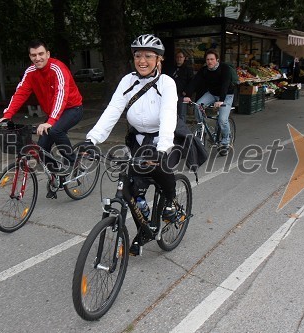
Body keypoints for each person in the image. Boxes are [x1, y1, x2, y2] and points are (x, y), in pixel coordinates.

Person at [84, 34, 180, 255]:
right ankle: (145, 228)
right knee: (132, 188)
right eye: (138, 55)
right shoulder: (127, 81)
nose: (142, 60)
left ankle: (171, 201)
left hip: (160, 140)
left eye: (148, 56)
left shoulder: (167, 83)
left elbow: (168, 116)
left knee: (160, 171)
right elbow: (113, 111)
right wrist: (92, 139)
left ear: (159, 60)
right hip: (137, 140)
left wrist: (163, 148)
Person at [0, 39, 84, 174]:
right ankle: (57, 175)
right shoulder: (30, 72)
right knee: (41, 148)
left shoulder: (58, 68)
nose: (37, 58)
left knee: (55, 131)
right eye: (34, 55)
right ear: (30, 56)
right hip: (53, 114)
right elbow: (20, 93)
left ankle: (74, 164)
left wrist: (50, 122)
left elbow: (60, 95)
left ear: (48, 54)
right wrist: (7, 115)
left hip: (72, 109)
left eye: (41, 54)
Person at [182, 48, 235, 155]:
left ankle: (226, 141)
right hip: (212, 93)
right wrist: (187, 95)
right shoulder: (204, 70)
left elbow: (225, 85)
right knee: (198, 105)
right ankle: (203, 128)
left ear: (217, 60)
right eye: (207, 59)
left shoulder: (225, 68)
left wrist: (221, 100)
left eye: (212, 59)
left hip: (227, 95)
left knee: (222, 120)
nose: (209, 62)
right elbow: (194, 82)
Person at [167, 50, 193, 122]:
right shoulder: (171, 68)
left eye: (181, 57)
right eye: (177, 57)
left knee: (182, 114)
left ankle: (182, 131)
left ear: (184, 58)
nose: (179, 58)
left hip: (182, 95)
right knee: (172, 112)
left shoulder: (188, 69)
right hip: (172, 94)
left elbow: (191, 82)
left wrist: (186, 92)